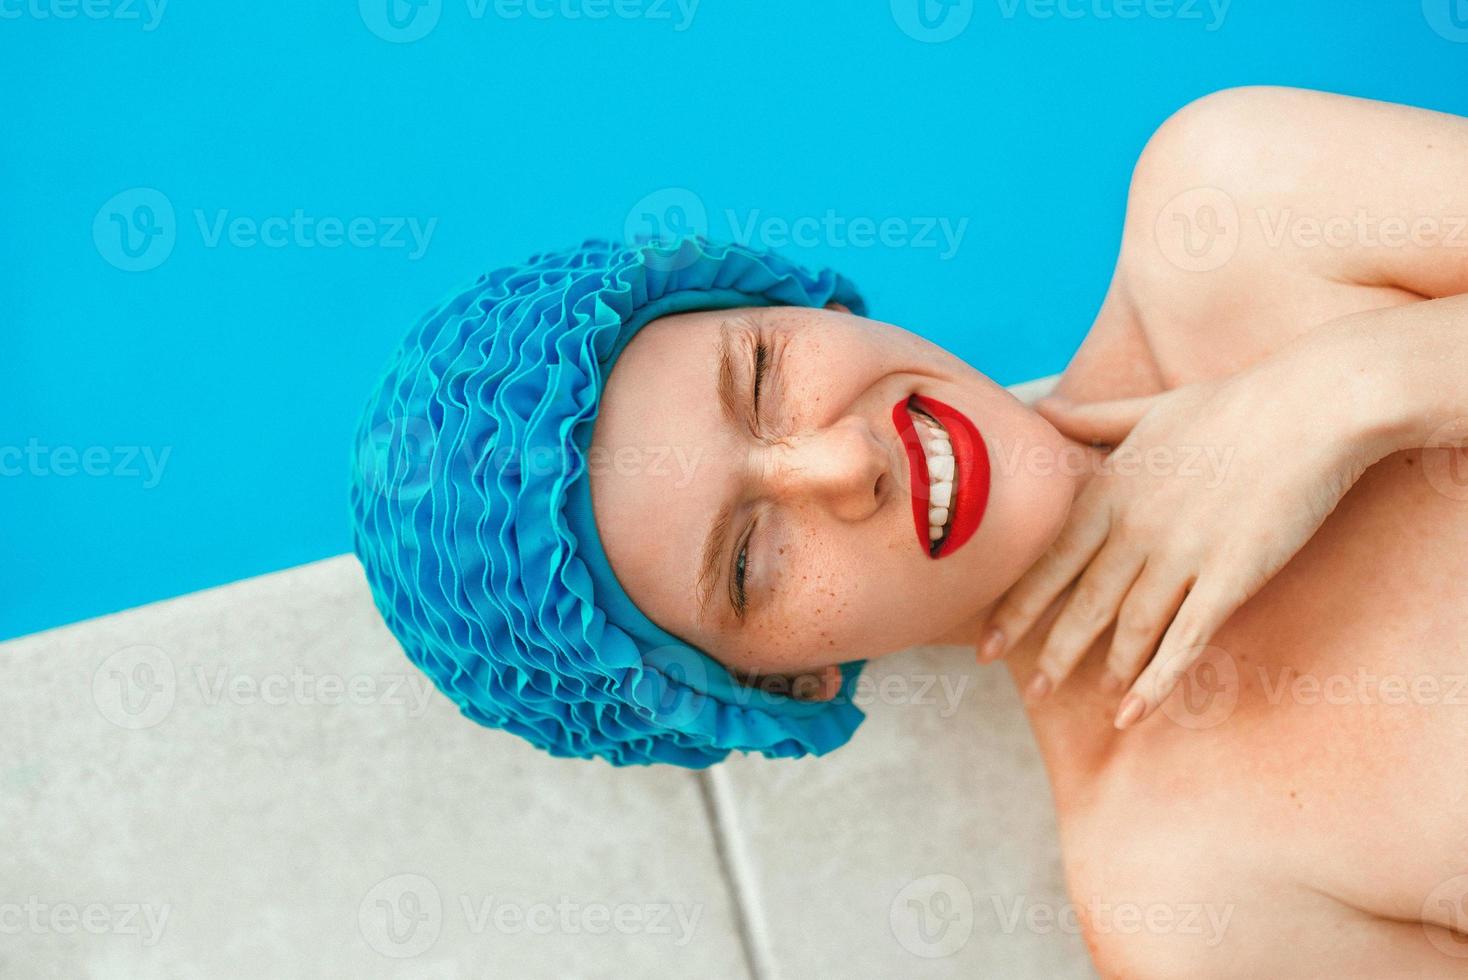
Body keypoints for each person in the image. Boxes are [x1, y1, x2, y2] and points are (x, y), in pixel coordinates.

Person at [351, 86, 1468, 970]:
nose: (842, 461)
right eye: (749, 559)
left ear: (795, 302)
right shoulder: (1197, 898)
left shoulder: (1236, 208)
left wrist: (1351, 389)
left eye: (761, 372)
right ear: (778, 687)